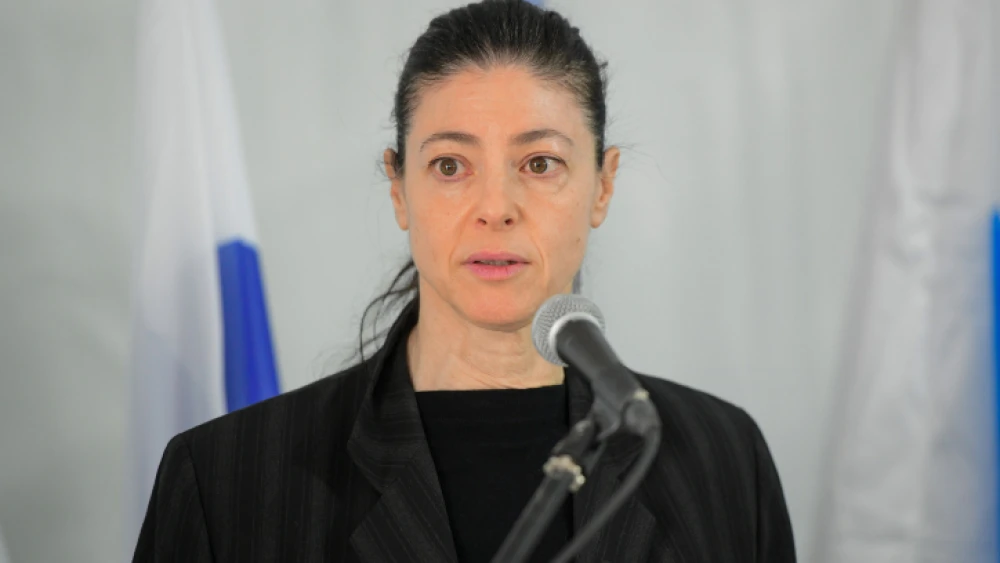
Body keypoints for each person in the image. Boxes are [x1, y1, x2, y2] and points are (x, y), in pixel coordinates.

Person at [132, 1, 796, 561]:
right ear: (398, 188)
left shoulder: (720, 458)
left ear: (604, 185)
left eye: (539, 162)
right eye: (451, 166)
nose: (495, 206)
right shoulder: (226, 478)